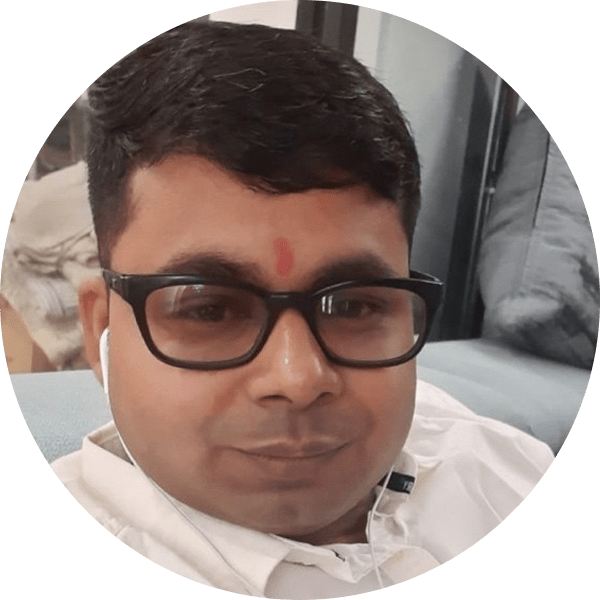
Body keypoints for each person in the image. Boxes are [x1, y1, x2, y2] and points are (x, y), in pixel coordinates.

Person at [51, 20, 553, 598]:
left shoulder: (507, 469)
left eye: (355, 304)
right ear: (101, 328)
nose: (298, 379)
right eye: (210, 310)